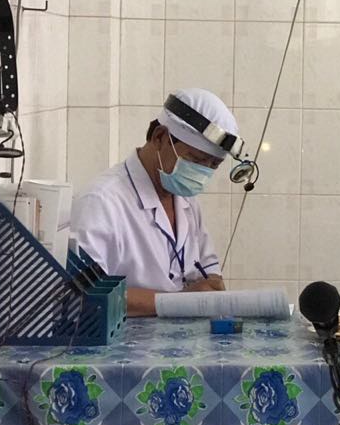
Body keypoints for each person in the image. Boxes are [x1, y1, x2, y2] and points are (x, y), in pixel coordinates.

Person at [71, 88, 246, 317]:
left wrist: (211, 286)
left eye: (213, 165)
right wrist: (183, 301)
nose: (202, 172)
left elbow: (207, 270)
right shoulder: (102, 202)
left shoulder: (183, 196)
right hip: (122, 345)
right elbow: (83, 295)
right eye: (196, 159)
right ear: (160, 137)